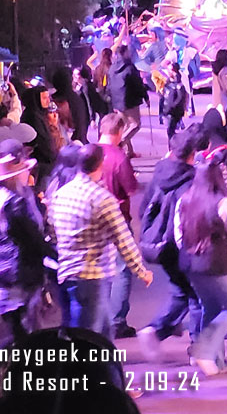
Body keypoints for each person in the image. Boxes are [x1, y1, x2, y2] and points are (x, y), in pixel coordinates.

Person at [49, 145, 153, 338]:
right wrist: (141, 271)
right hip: (92, 276)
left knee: (103, 331)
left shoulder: (61, 193)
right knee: (89, 337)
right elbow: (123, 240)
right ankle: (86, 368)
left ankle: (109, 366)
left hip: (68, 273)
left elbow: (53, 230)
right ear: (100, 164)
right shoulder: (102, 199)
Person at [173, 161, 227, 377]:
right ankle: (203, 351)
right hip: (218, 263)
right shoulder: (222, 204)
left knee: (210, 308)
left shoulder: (184, 200)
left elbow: (178, 234)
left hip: (191, 263)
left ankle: (217, 361)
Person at [0, 145, 51, 349]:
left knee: (17, 333)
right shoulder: (15, 204)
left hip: (1, 269)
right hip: (19, 272)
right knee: (23, 335)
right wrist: (56, 257)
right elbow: (32, 239)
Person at [137, 131, 200, 358]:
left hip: (159, 245)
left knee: (181, 292)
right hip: (182, 247)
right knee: (195, 296)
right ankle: (197, 349)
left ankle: (156, 330)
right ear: (192, 154)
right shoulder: (192, 180)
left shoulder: (159, 174)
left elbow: (143, 209)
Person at [96, 113, 139, 339]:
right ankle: (117, 320)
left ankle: (102, 315)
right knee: (122, 269)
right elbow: (130, 187)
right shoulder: (118, 157)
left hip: (93, 221)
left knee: (100, 269)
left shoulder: (90, 152)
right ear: (119, 132)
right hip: (118, 218)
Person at [107, 45, 147, 159]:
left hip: (117, 101)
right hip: (130, 100)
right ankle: (118, 144)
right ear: (125, 53)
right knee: (135, 125)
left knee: (125, 125)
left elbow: (109, 85)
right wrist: (145, 96)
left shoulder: (112, 67)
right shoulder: (130, 67)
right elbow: (138, 83)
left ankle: (129, 151)